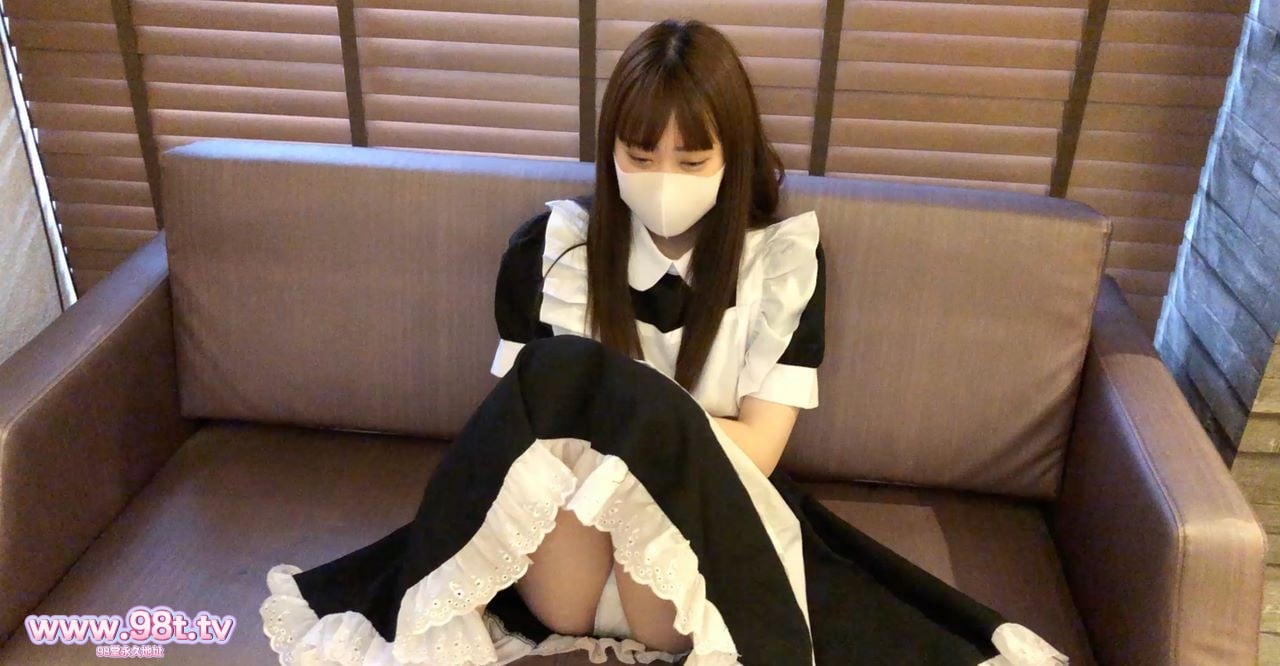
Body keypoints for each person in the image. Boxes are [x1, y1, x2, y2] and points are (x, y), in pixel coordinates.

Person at [260, 18, 1070, 666]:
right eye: (640, 155)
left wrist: (620, 413)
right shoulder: (554, 250)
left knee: (578, 385)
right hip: (567, 551)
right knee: (559, 387)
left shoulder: (781, 264)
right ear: (610, 150)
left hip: (705, 520)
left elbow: (759, 448)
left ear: (732, 155)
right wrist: (613, 412)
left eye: (693, 158)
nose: (663, 178)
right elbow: (524, 431)